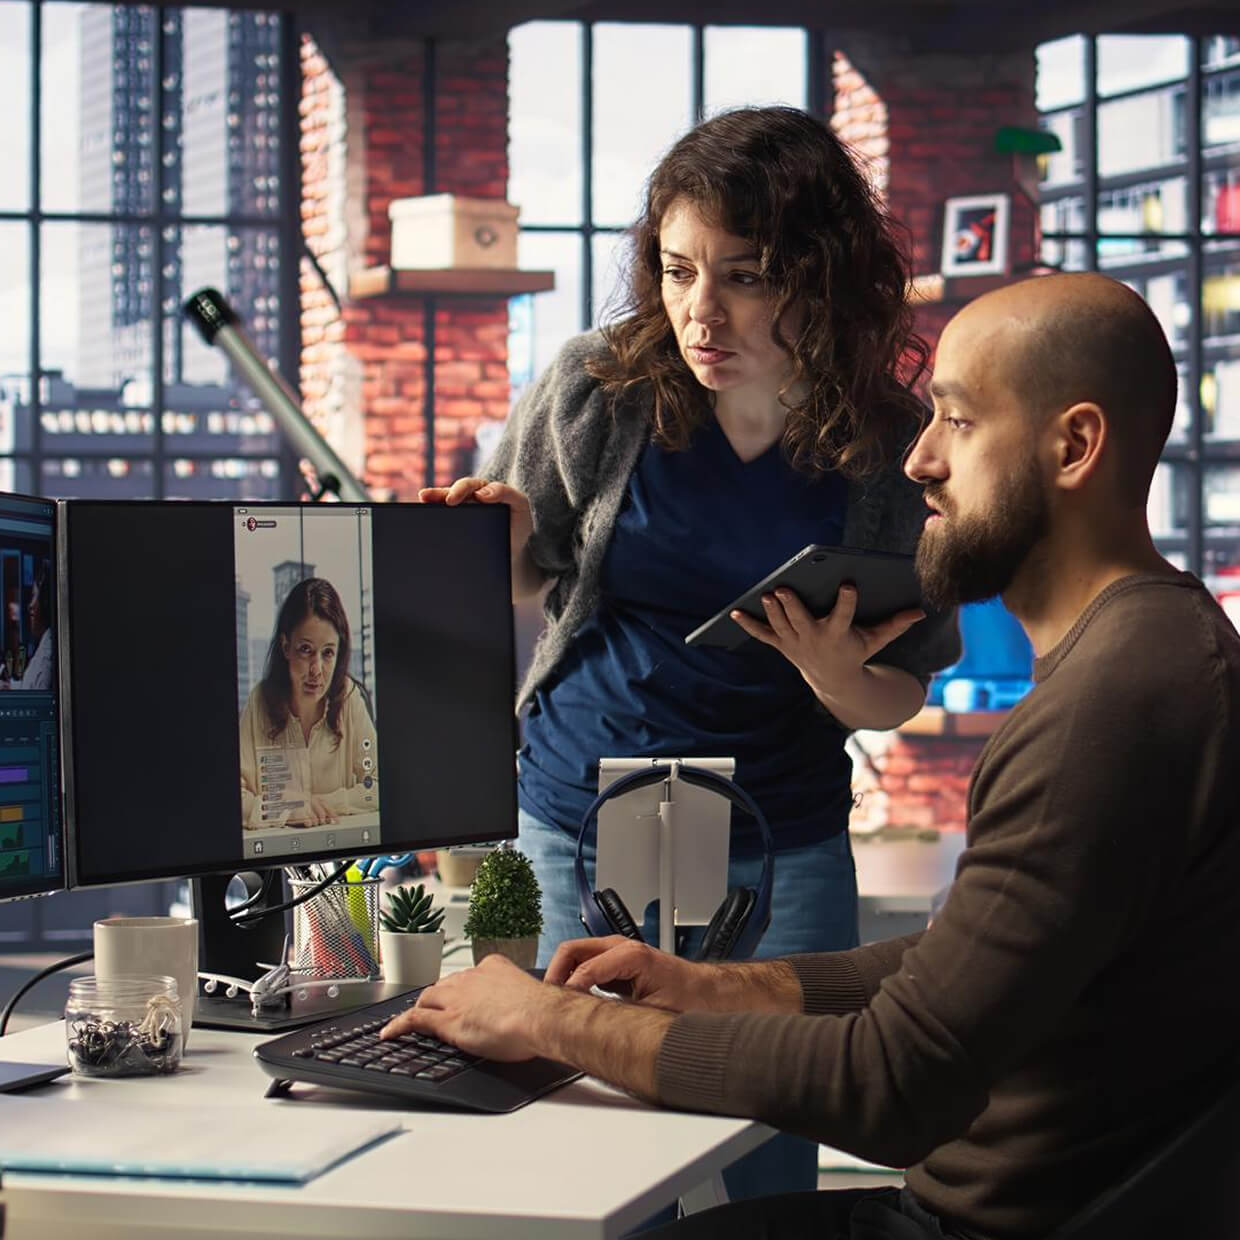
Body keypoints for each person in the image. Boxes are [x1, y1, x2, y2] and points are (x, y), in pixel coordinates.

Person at [386, 272, 1240, 1239]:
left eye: (956, 423)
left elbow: (893, 1083)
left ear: (1074, 446)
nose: (918, 463)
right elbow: (964, 965)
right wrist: (712, 986)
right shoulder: (1153, 658)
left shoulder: (1114, 709)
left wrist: (552, 1021)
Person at [421, 105, 960, 1200]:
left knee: (771, 1138)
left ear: (822, 278)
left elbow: (902, 688)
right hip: (580, 812)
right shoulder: (595, 387)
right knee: (577, 1132)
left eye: (745, 277)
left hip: (779, 835)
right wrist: (513, 547)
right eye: (674, 272)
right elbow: (533, 585)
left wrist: (834, 676)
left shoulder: (889, 443)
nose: (697, 314)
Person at [239, 576, 378, 831]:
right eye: (305, 649)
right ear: (285, 647)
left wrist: (320, 805)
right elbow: (236, 798)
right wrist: (289, 809)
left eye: (327, 653)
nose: (317, 670)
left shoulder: (349, 697)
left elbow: (379, 786)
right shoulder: (260, 700)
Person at [0, 560, 54, 691]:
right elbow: (29, 686)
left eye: (34, 595)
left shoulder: (48, 655)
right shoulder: (45, 644)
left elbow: (37, 702)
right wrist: (9, 687)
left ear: (45, 602)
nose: (30, 605)